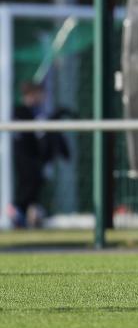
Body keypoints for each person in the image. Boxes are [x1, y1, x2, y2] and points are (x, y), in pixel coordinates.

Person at [10, 82, 70, 228]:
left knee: (33, 188)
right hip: (25, 159)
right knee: (28, 187)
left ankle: (25, 215)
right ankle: (16, 212)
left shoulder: (38, 113)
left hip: (35, 160)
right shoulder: (20, 113)